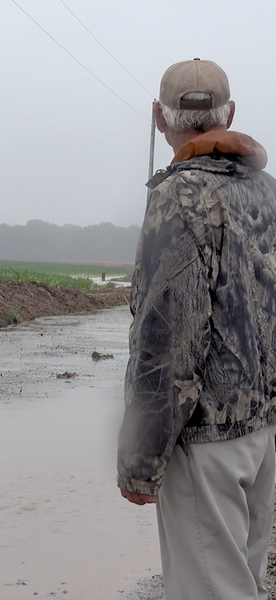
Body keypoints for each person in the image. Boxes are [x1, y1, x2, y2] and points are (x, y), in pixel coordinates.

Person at [117, 58, 276, 600]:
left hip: (205, 441)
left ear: (160, 121)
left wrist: (141, 459)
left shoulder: (176, 198)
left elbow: (168, 338)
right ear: (231, 114)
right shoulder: (270, 193)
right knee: (244, 585)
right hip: (263, 436)